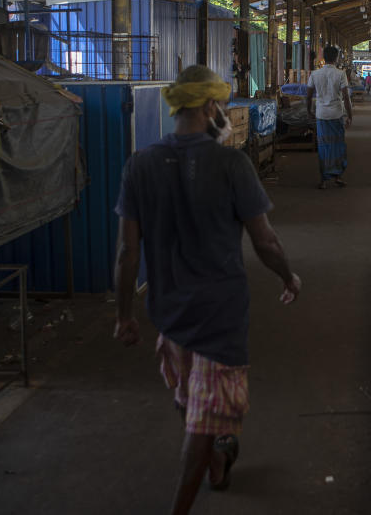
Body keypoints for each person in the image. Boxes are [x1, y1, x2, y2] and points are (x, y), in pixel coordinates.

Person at [113, 65, 302, 515]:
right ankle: (183, 503)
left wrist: (124, 315)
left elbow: (126, 252)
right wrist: (287, 276)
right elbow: (265, 240)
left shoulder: (140, 164)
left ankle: (217, 464)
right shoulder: (232, 163)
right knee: (201, 417)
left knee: (190, 401)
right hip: (220, 315)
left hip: (170, 311)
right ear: (210, 107)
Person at [306, 46, 353, 189]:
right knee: (338, 146)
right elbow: (346, 97)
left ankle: (324, 180)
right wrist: (350, 115)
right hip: (336, 114)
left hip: (321, 115)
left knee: (323, 147)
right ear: (337, 58)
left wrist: (309, 111)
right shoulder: (341, 74)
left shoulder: (314, 74)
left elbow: (308, 96)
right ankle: (337, 176)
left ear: (324, 58)